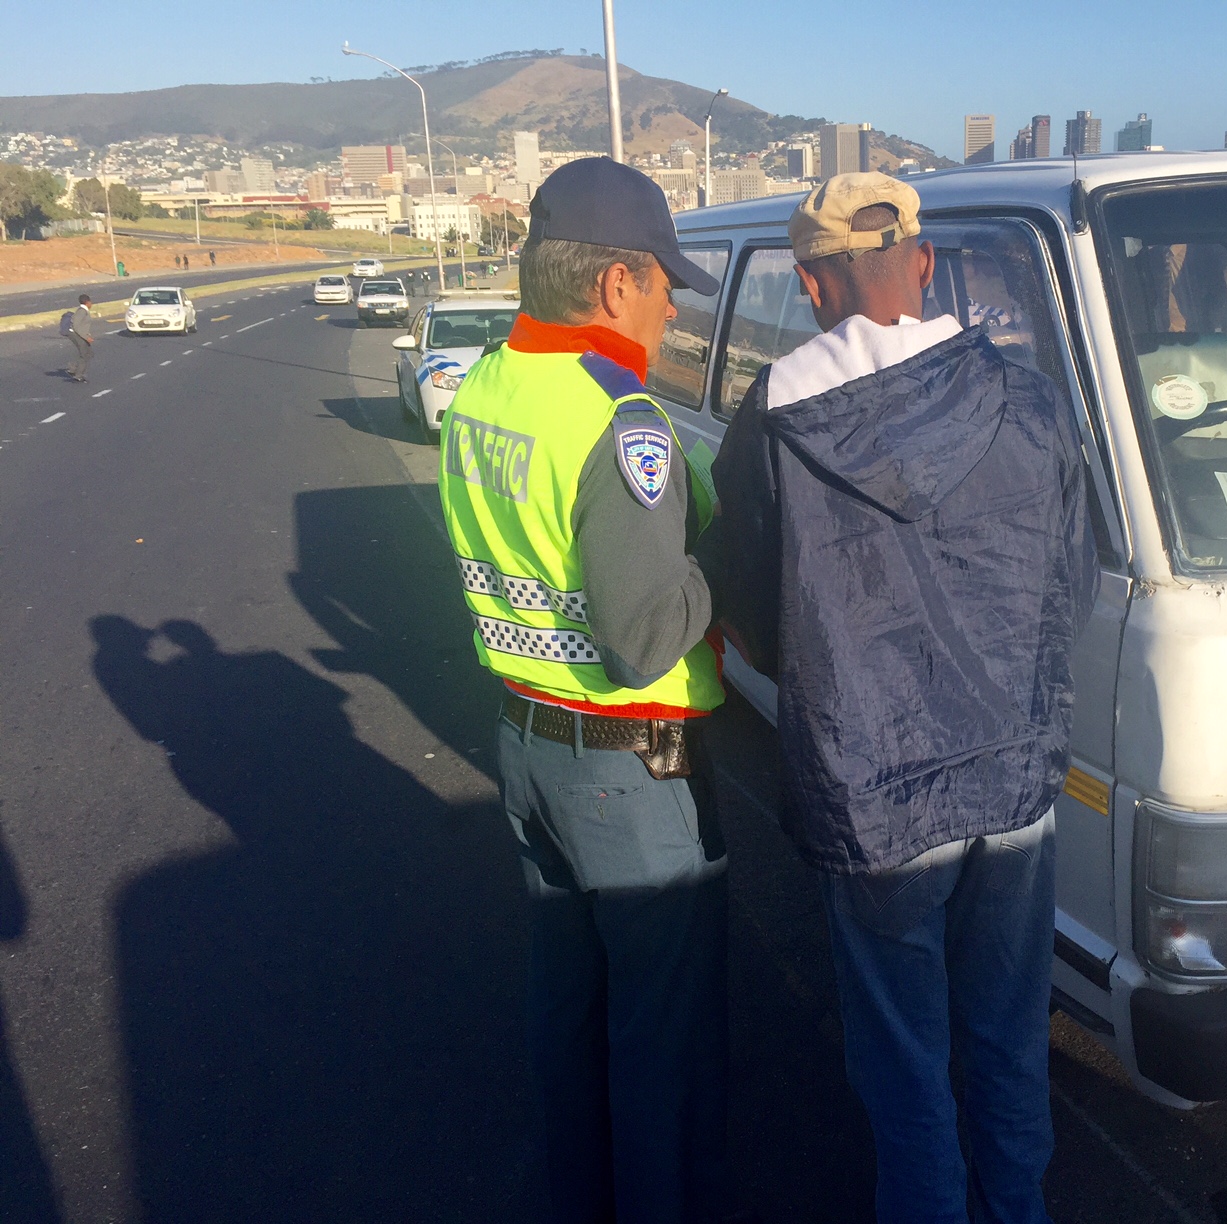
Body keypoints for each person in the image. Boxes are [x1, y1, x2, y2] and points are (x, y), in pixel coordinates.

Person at [707, 174, 1095, 1224]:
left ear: (809, 281)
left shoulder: (777, 419)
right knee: (1008, 1048)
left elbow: (745, 604)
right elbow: (1073, 580)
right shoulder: (1026, 397)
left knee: (906, 1073)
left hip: (872, 803)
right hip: (1013, 788)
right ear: (924, 265)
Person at [437, 157, 738, 1224]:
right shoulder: (625, 423)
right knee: (662, 1045)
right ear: (616, 284)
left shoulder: (484, 385)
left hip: (527, 748)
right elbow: (645, 635)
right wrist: (729, 556)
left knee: (565, 1016)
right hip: (628, 771)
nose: (671, 313)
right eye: (666, 287)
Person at [66, 293, 94, 382]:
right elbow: (76, 326)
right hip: (77, 335)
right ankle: (76, 373)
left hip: (81, 335)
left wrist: (88, 335)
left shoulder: (83, 311)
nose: (91, 304)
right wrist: (86, 337)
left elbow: (83, 326)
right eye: (90, 302)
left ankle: (74, 369)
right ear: (87, 302)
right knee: (84, 354)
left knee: (89, 353)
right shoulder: (82, 311)